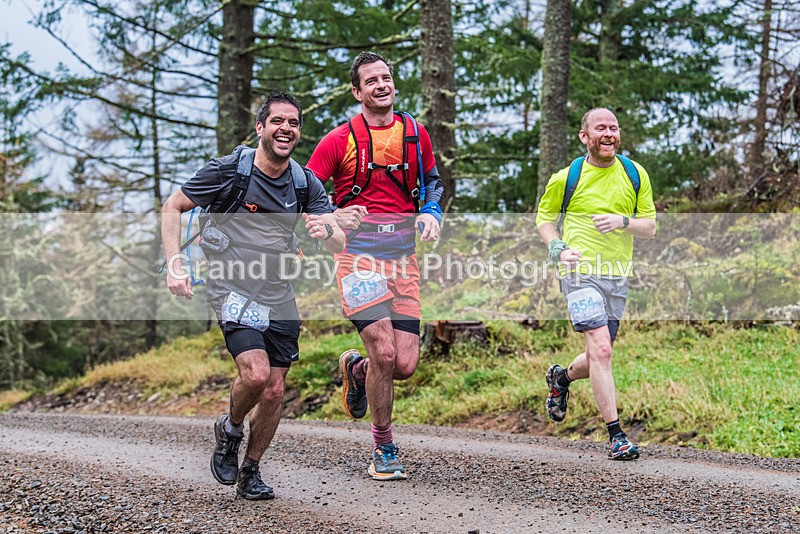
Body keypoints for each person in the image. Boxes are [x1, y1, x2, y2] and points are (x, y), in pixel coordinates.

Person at [162, 92, 345, 499]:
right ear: (261, 127)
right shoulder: (229, 171)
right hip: (231, 286)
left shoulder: (304, 181)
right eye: (277, 121)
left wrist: (327, 231)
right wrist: (177, 263)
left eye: (293, 123)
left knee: (276, 389)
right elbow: (173, 206)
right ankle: (230, 429)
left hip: (278, 291)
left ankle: (251, 469)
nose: (286, 129)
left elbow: (338, 239)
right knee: (256, 375)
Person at [306, 52, 444, 480]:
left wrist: (431, 212)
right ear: (357, 91)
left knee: (402, 365)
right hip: (357, 259)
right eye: (372, 81)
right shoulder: (338, 139)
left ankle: (358, 369)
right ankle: (383, 447)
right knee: (384, 349)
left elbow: (433, 182)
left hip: (403, 258)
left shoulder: (415, 133)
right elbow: (305, 191)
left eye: (386, 78)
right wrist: (331, 218)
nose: (381, 85)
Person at [535, 107, 656, 460]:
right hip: (578, 273)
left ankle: (562, 378)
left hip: (617, 275)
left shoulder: (634, 174)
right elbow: (544, 218)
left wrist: (622, 221)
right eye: (600, 128)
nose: (609, 134)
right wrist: (557, 247)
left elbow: (649, 226)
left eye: (614, 128)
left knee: (596, 355)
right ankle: (616, 436)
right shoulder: (567, 176)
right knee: (601, 350)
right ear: (584, 136)